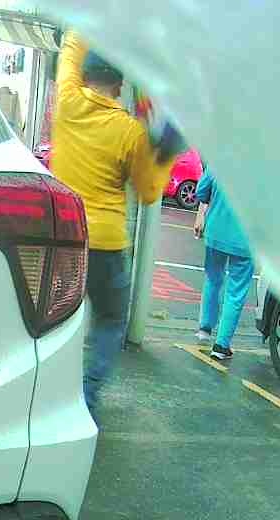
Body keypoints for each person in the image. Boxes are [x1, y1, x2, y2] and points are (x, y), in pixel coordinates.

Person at [50, 32, 180, 418]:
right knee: (109, 320)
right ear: (120, 86)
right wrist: (164, 154)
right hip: (105, 244)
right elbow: (150, 192)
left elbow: (72, 47)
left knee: (53, 320)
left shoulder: (67, 100)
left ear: (84, 76)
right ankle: (87, 397)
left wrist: (96, 19)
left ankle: (47, 396)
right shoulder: (130, 130)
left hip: (62, 236)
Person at [192, 170, 253, 361]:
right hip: (246, 239)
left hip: (215, 231)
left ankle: (205, 328)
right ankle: (221, 345)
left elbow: (201, 191)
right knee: (236, 292)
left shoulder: (221, 158)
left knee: (213, 278)